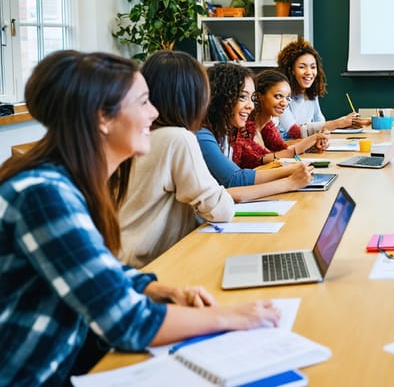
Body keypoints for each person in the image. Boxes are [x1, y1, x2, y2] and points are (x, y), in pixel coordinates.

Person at [0, 51, 280, 386]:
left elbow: (98, 268)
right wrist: (232, 317)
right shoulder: (44, 195)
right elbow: (128, 322)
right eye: (143, 102)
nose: (154, 112)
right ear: (102, 116)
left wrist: (160, 290)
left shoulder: (67, 180)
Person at [118, 51, 235, 268]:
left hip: (123, 257)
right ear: (194, 97)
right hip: (150, 265)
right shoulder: (177, 138)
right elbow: (221, 209)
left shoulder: (138, 136)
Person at [197, 62, 315, 191]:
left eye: (251, 98)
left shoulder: (224, 131)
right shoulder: (202, 134)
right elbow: (235, 179)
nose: (251, 106)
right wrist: (290, 176)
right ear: (220, 97)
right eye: (243, 97)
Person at [234, 69, 328, 169]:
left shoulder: (267, 127)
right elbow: (258, 160)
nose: (284, 103)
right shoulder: (244, 127)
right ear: (259, 96)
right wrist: (300, 147)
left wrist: (313, 145)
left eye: (287, 98)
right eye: (278, 96)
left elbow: (282, 149)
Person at [276, 40, 363, 139]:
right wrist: (338, 123)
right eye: (302, 67)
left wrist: (344, 123)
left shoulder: (311, 94)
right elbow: (294, 133)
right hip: (286, 150)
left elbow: (320, 123)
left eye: (313, 67)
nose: (309, 72)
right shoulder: (281, 97)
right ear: (291, 70)